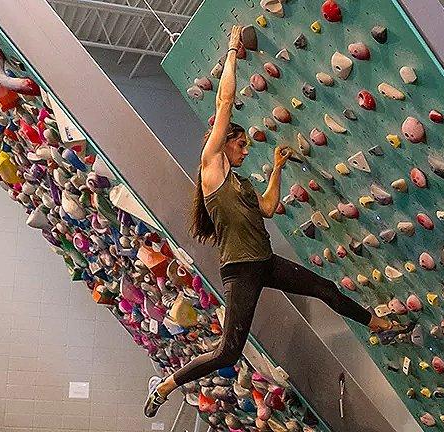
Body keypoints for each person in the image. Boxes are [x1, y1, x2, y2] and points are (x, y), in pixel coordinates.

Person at [144, 25, 396, 417]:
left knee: (323, 288)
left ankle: (378, 324)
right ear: (224, 143)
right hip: (242, 270)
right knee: (230, 350)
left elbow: (267, 209)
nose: (246, 149)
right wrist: (231, 50)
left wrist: (277, 168)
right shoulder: (213, 168)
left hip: (265, 262)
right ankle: (167, 384)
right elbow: (224, 102)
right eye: (241, 144)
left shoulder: (240, 182)